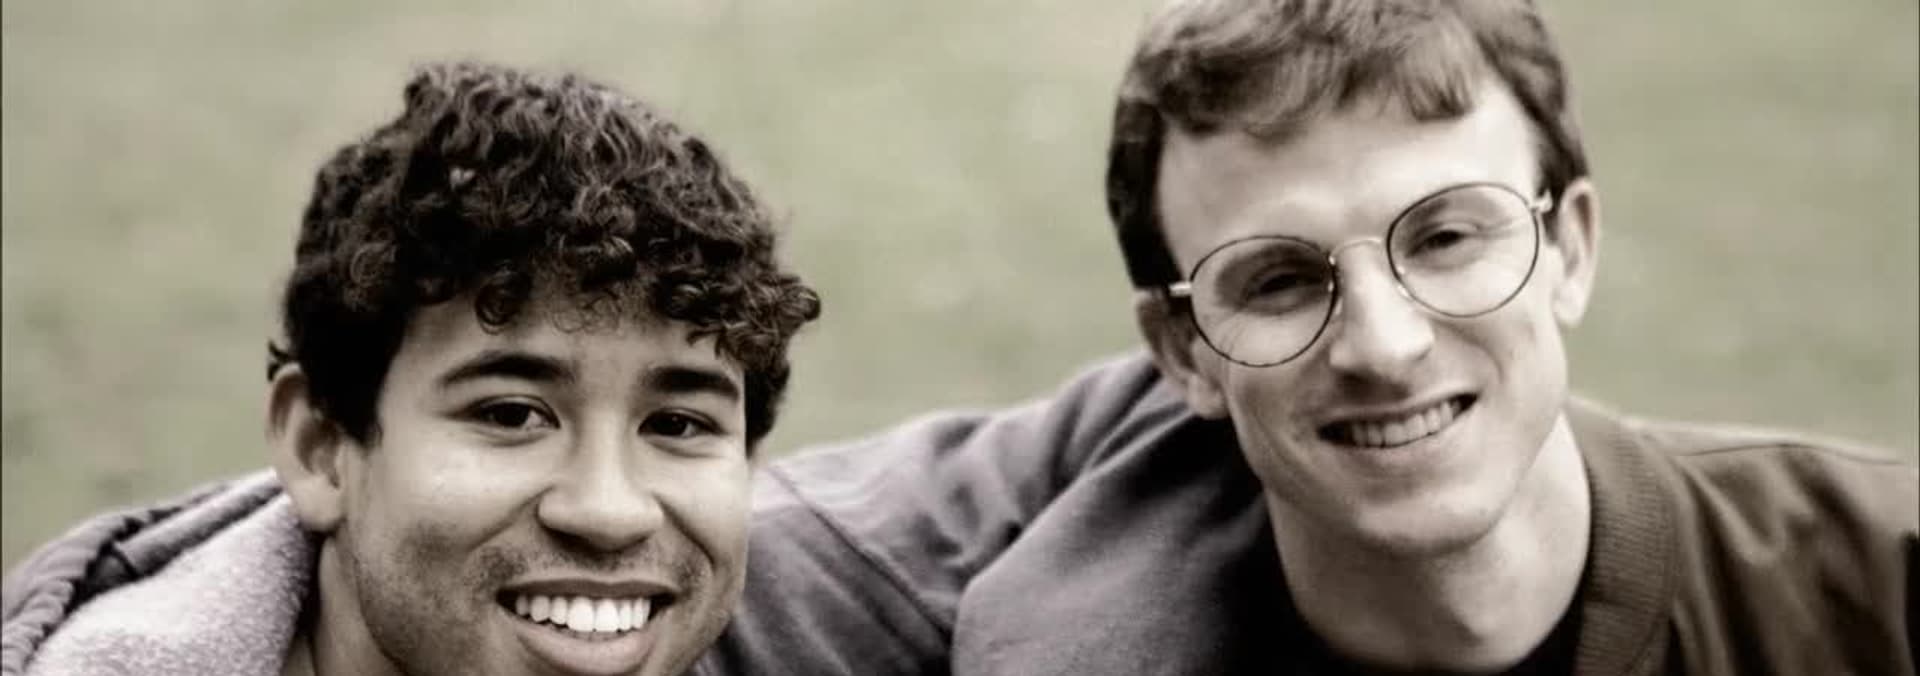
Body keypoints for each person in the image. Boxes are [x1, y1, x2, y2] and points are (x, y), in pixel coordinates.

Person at [696, 1, 1917, 674]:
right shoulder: (1036, 594)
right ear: (1184, 353)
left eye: (1448, 235)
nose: (1383, 344)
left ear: (1571, 248)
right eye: (1279, 281)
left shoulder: (1876, 579)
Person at [1, 61, 820, 676]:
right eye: (511, 413)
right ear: (321, 447)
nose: (608, 511)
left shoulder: (827, 613)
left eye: (677, 424)